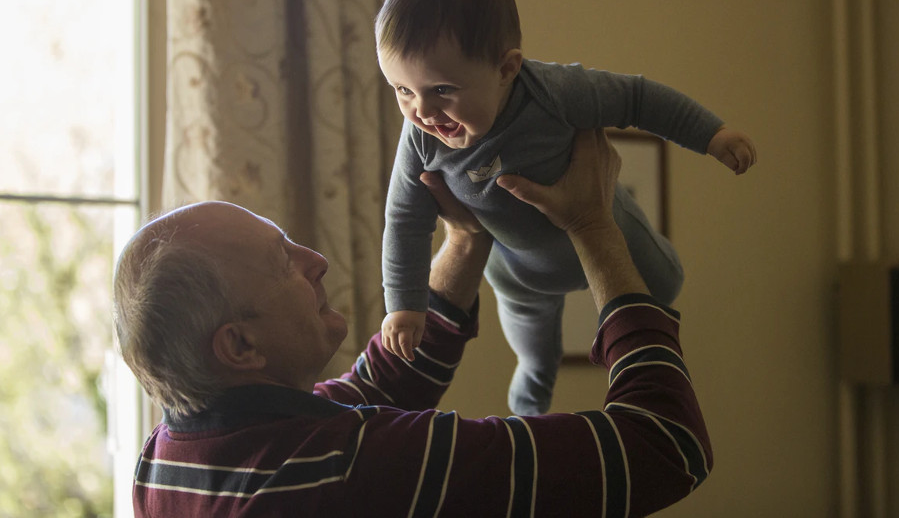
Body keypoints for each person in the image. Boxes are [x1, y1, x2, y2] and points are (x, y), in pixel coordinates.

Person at [114, 128, 713, 517]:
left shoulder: (167, 459)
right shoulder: (354, 470)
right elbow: (664, 446)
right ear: (240, 345)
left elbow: (376, 387)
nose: (316, 262)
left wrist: (466, 238)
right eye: (284, 263)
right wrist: (594, 228)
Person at [376, 0, 757, 415]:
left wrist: (712, 135)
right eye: (402, 90)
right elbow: (404, 220)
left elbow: (638, 98)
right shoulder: (420, 139)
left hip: (607, 226)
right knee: (535, 355)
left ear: (506, 69)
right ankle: (529, 411)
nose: (422, 111)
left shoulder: (554, 92)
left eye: (442, 90)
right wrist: (404, 305)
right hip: (519, 273)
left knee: (667, 284)